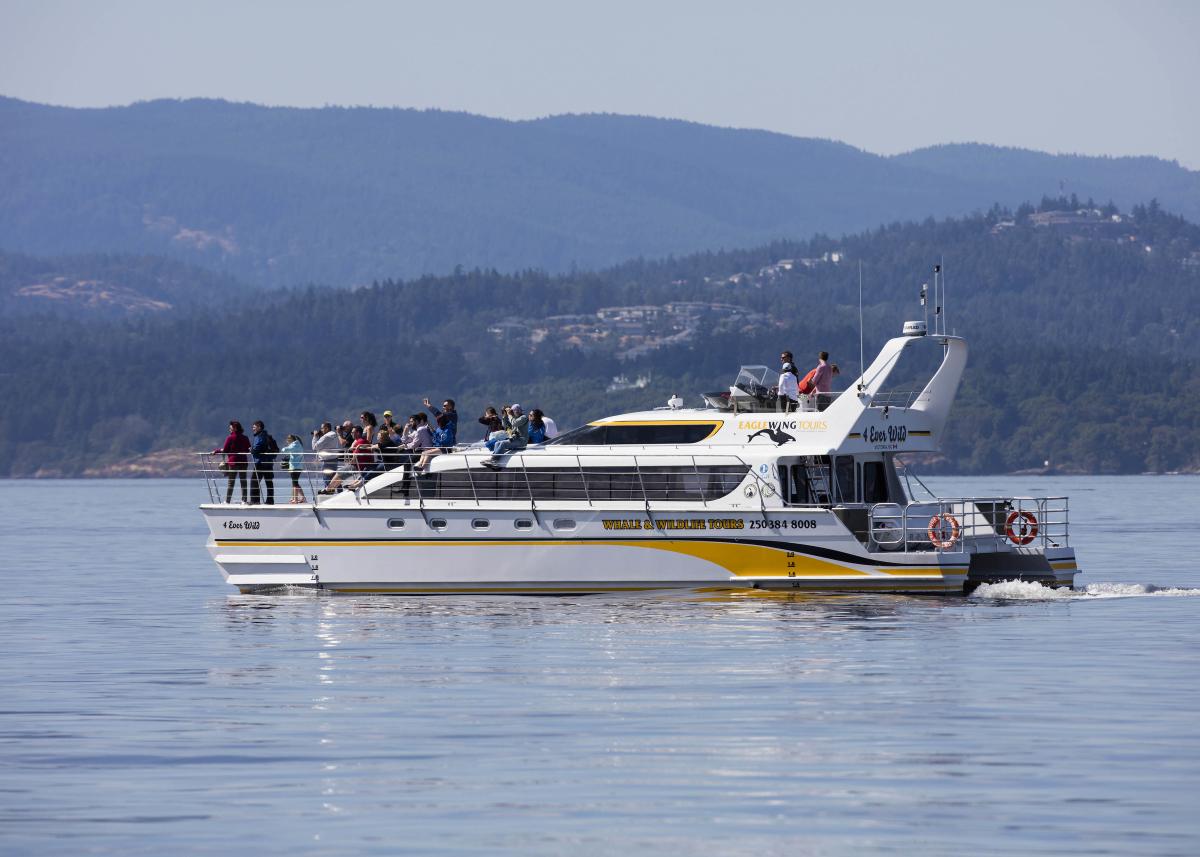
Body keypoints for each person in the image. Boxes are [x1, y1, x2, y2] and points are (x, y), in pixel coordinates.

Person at [213, 420, 251, 504]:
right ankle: (244, 500)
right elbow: (248, 449)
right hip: (243, 461)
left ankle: (227, 501)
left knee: (231, 482)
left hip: (233, 462)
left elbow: (225, 450)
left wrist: (216, 451)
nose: (229, 429)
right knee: (243, 481)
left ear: (235, 428)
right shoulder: (245, 438)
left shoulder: (230, 438)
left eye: (231, 427)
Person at [482, 404, 528, 469]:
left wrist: (509, 415)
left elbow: (515, 423)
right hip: (515, 439)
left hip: (521, 441)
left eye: (513, 411)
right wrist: (505, 416)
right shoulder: (513, 418)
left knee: (503, 444)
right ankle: (495, 461)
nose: (512, 413)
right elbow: (505, 426)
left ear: (517, 411)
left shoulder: (524, 417)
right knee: (497, 443)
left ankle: (494, 460)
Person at [248, 420, 277, 505]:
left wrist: (251, 450)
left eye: (254, 427)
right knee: (269, 481)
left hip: (260, 463)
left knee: (254, 481)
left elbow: (257, 449)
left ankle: (255, 500)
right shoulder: (268, 436)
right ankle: (270, 500)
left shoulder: (259, 437)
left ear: (259, 427)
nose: (253, 428)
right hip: (269, 463)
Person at [311, 422, 341, 486]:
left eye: (322, 428)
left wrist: (315, 437)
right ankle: (339, 492)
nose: (321, 430)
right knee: (334, 478)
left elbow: (314, 447)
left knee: (327, 478)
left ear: (327, 428)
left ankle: (328, 492)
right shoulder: (334, 435)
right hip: (334, 459)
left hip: (326, 460)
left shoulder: (326, 437)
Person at [281, 434, 307, 504]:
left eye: (288, 439)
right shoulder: (299, 445)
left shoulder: (294, 445)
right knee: (295, 483)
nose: (287, 441)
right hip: (298, 467)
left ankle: (295, 499)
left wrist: (283, 448)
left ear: (291, 439)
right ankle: (301, 498)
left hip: (294, 467)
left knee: (295, 483)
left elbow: (285, 450)